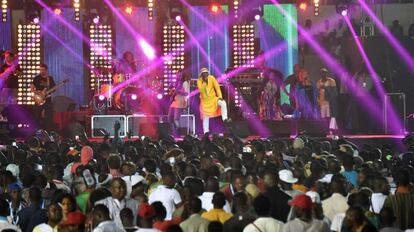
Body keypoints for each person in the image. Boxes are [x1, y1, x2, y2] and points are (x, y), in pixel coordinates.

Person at [197, 67, 230, 134]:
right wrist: (204, 82)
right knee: (205, 116)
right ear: (201, 75)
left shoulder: (212, 78)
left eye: (206, 73)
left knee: (223, 103)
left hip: (213, 99)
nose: (205, 75)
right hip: (205, 102)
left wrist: (220, 96)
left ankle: (225, 119)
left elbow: (217, 87)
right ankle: (206, 132)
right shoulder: (199, 81)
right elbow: (201, 90)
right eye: (203, 74)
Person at [256, 51, 284, 120]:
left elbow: (279, 77)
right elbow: (261, 88)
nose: (262, 60)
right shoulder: (257, 69)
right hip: (264, 95)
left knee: (273, 107)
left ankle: (274, 118)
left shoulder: (268, 70)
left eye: (263, 58)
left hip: (271, 95)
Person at [31, 64, 56, 129]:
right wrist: (36, 93)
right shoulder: (36, 78)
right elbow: (32, 88)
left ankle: (48, 131)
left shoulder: (50, 78)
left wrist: (49, 92)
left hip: (48, 99)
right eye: (40, 70)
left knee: (49, 116)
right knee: (36, 116)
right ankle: (36, 131)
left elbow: (54, 89)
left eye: (43, 70)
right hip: (39, 99)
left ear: (46, 70)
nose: (42, 71)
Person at [168, 70, 190, 134]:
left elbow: (187, 93)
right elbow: (175, 92)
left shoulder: (185, 83)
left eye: (180, 75)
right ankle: (173, 131)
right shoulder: (177, 83)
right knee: (169, 118)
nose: (179, 76)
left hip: (180, 101)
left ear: (183, 75)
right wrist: (172, 92)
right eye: (178, 75)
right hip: (174, 101)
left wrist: (179, 92)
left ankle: (178, 132)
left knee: (176, 119)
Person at [316, 68, 338, 132]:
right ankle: (325, 129)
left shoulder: (331, 81)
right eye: (321, 73)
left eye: (324, 72)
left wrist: (326, 88)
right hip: (322, 101)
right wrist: (318, 101)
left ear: (326, 73)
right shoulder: (318, 82)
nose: (323, 74)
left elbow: (334, 92)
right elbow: (317, 92)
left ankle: (331, 129)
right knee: (323, 117)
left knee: (330, 116)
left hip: (329, 101)